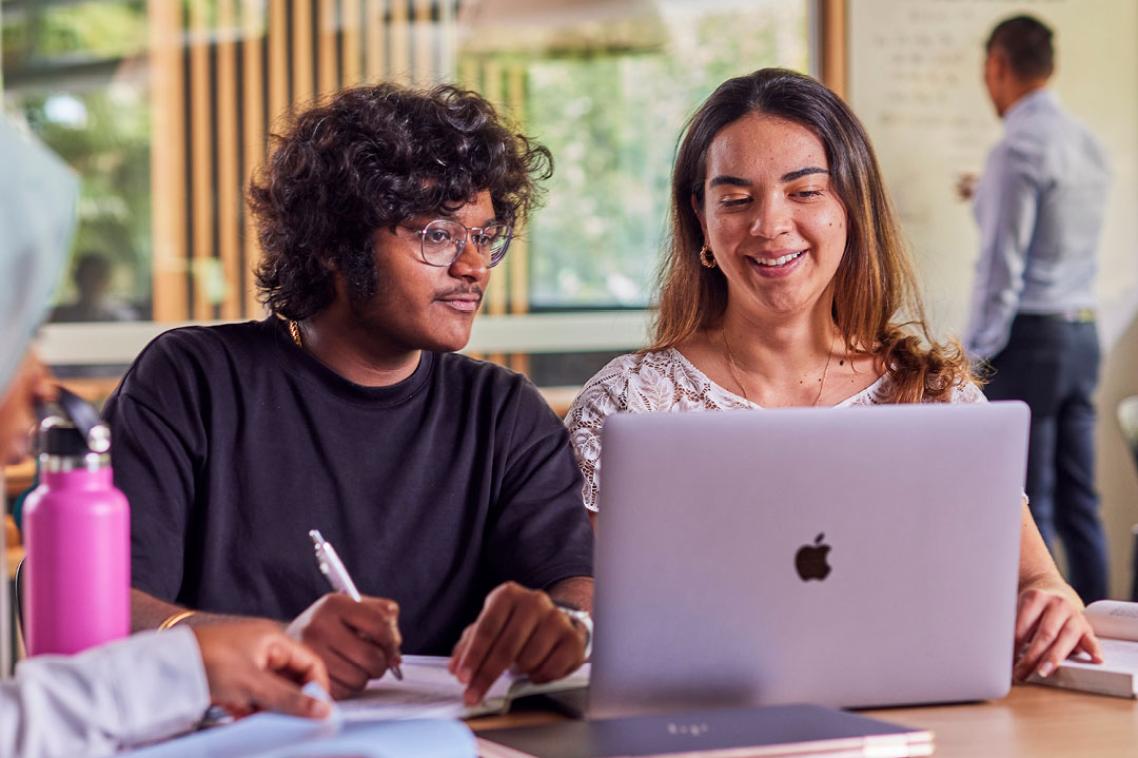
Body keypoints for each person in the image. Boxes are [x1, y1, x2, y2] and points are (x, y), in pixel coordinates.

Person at [565, 67, 1102, 682]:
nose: (770, 225)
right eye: (736, 199)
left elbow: (1038, 580)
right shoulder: (630, 405)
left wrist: (1055, 600)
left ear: (851, 204)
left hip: (934, 720)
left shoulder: (937, 398)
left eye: (805, 191)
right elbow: (596, 622)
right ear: (701, 219)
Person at [103, 84, 595, 707]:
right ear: (334, 243)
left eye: (486, 235)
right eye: (439, 235)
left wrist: (565, 626)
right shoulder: (192, 381)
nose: (475, 266)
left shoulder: (502, 413)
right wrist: (275, 645)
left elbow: (573, 587)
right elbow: (105, 607)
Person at [0, 117, 330, 757]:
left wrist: (183, 668)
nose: (41, 382)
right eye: (19, 335)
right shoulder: (191, 379)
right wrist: (181, 664)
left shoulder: (496, 406)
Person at [962, 15, 1110, 604]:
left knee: (1027, 497)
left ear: (997, 65)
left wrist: (973, 358)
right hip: (1082, 335)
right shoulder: (1086, 142)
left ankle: (1041, 644)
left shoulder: (1016, 148)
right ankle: (1105, 634)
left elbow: (1002, 270)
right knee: (1082, 500)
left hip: (1032, 341)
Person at [50, 251, 139, 323]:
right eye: (86, 277)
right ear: (77, 279)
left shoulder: (122, 318)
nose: (90, 283)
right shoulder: (59, 317)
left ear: (107, 282)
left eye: (96, 277)